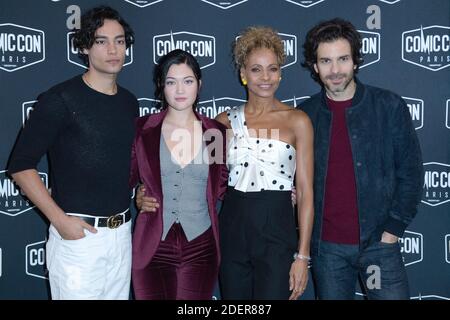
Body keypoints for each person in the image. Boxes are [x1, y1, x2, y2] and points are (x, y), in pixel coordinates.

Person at [8, 6, 138, 299]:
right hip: (79, 240)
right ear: (84, 47)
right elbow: (21, 165)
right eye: (101, 41)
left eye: (119, 40)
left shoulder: (129, 103)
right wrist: (60, 221)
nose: (113, 49)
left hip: (122, 235)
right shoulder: (59, 99)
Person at [299, 18, 423, 300]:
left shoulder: (388, 106)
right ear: (315, 67)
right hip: (327, 250)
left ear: (355, 61)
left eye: (343, 59)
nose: (335, 70)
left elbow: (411, 173)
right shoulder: (304, 115)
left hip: (379, 245)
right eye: (326, 61)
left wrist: (392, 230)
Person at [215, 26, 314, 300]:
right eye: (256, 69)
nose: (265, 77)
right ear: (243, 74)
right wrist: (146, 192)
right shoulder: (223, 122)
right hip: (232, 227)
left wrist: (302, 256)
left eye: (272, 68)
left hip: (277, 231)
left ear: (281, 73)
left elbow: (305, 192)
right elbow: (202, 181)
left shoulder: (298, 121)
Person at [129, 49, 228, 300]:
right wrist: (138, 196)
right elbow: (124, 178)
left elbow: (224, 187)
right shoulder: (143, 129)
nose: (180, 90)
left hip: (201, 246)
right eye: (172, 82)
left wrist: (277, 194)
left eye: (188, 81)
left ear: (199, 84)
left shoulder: (215, 133)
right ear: (162, 86)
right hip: (153, 246)